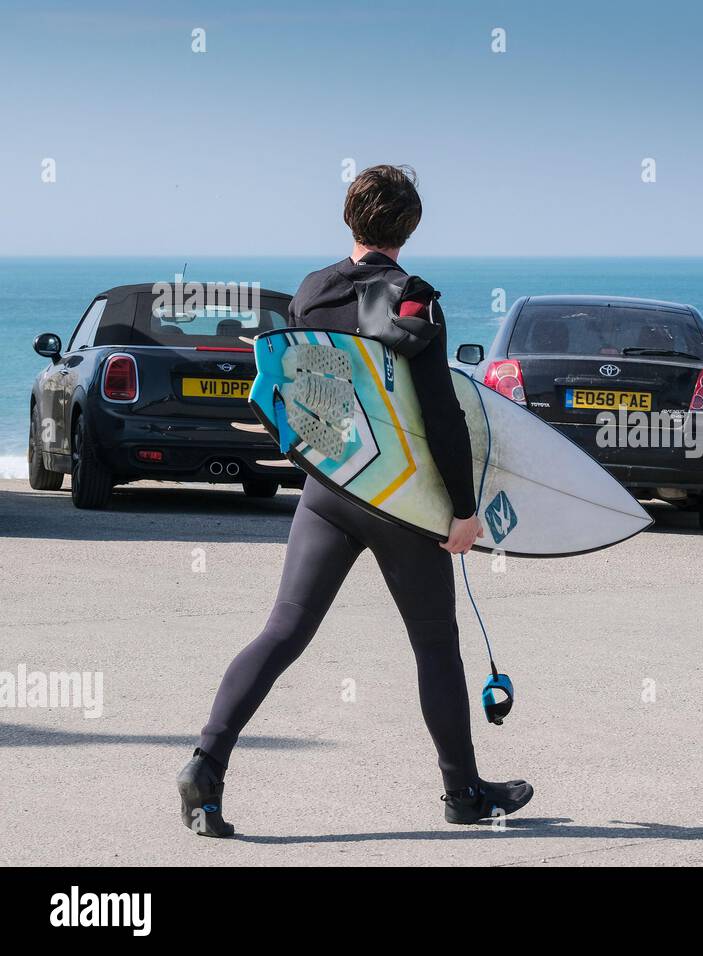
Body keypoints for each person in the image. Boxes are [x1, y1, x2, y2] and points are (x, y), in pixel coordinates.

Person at [177, 165, 532, 837]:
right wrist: (462, 509)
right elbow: (441, 414)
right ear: (411, 227)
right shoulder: (414, 298)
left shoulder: (312, 290)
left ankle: (206, 765)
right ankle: (463, 793)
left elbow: (301, 386)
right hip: (399, 497)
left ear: (351, 219)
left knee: (283, 630)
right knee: (434, 643)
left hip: (329, 487)